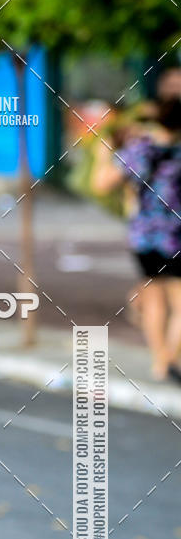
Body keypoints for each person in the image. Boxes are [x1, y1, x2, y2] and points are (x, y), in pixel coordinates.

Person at [92, 93, 181, 382]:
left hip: (145, 237)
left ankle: (159, 363)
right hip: (176, 237)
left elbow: (102, 184)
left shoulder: (139, 150)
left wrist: (102, 154)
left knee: (153, 298)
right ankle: (170, 357)